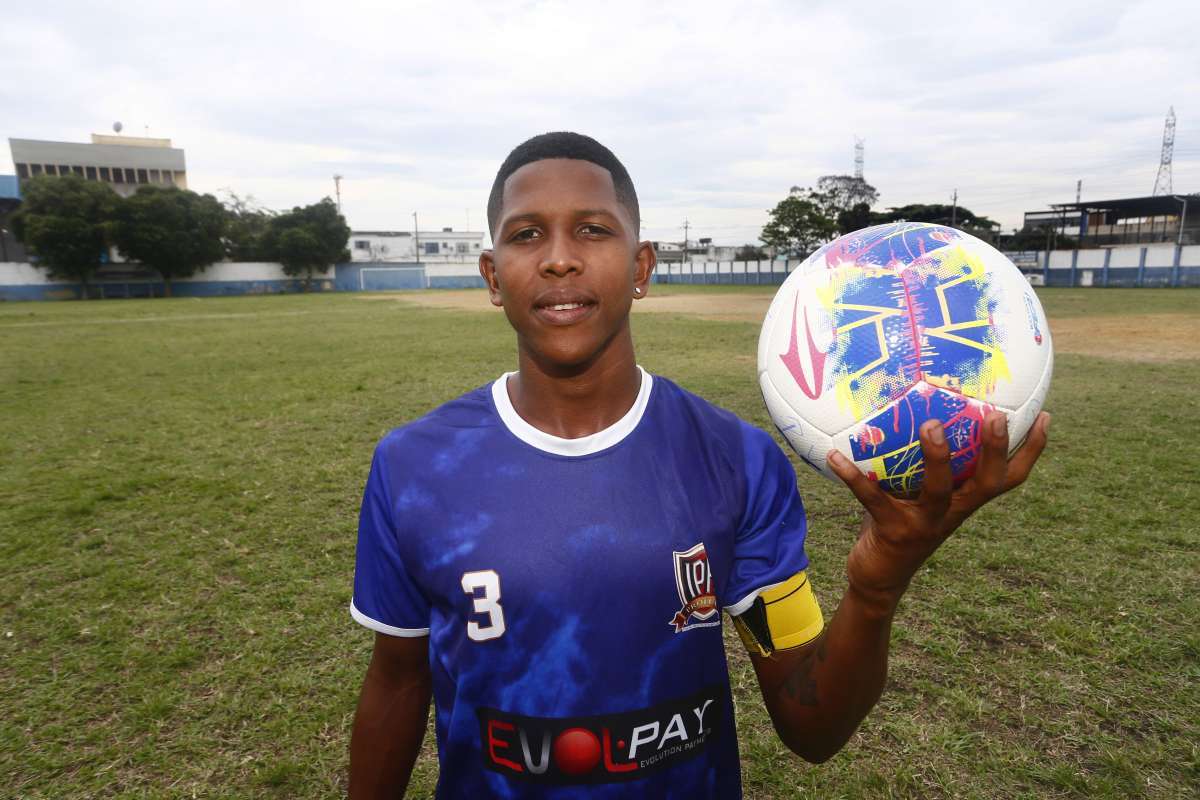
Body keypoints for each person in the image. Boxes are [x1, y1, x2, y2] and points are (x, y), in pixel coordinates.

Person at [347, 132, 1050, 798]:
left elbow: (812, 727)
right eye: (527, 234)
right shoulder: (414, 465)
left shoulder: (737, 460)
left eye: (593, 229)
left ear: (642, 266)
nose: (559, 258)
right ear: (494, 276)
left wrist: (876, 589)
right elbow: (398, 682)